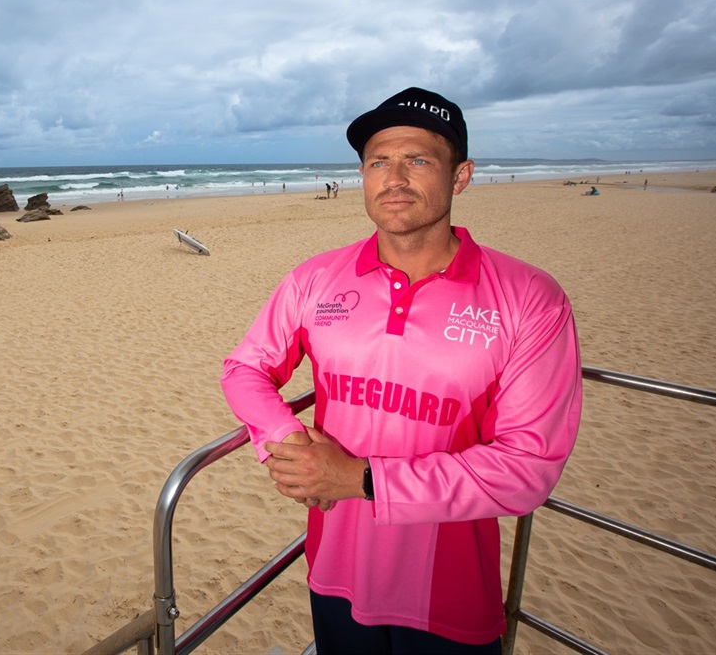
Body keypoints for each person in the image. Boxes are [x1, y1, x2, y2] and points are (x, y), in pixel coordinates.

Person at [221, 87, 582, 655]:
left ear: (460, 176)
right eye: (377, 161)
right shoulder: (315, 279)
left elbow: (528, 467)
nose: (394, 177)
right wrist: (290, 446)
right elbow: (245, 368)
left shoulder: (530, 297)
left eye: (417, 159)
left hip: (453, 594)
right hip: (334, 572)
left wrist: (360, 478)